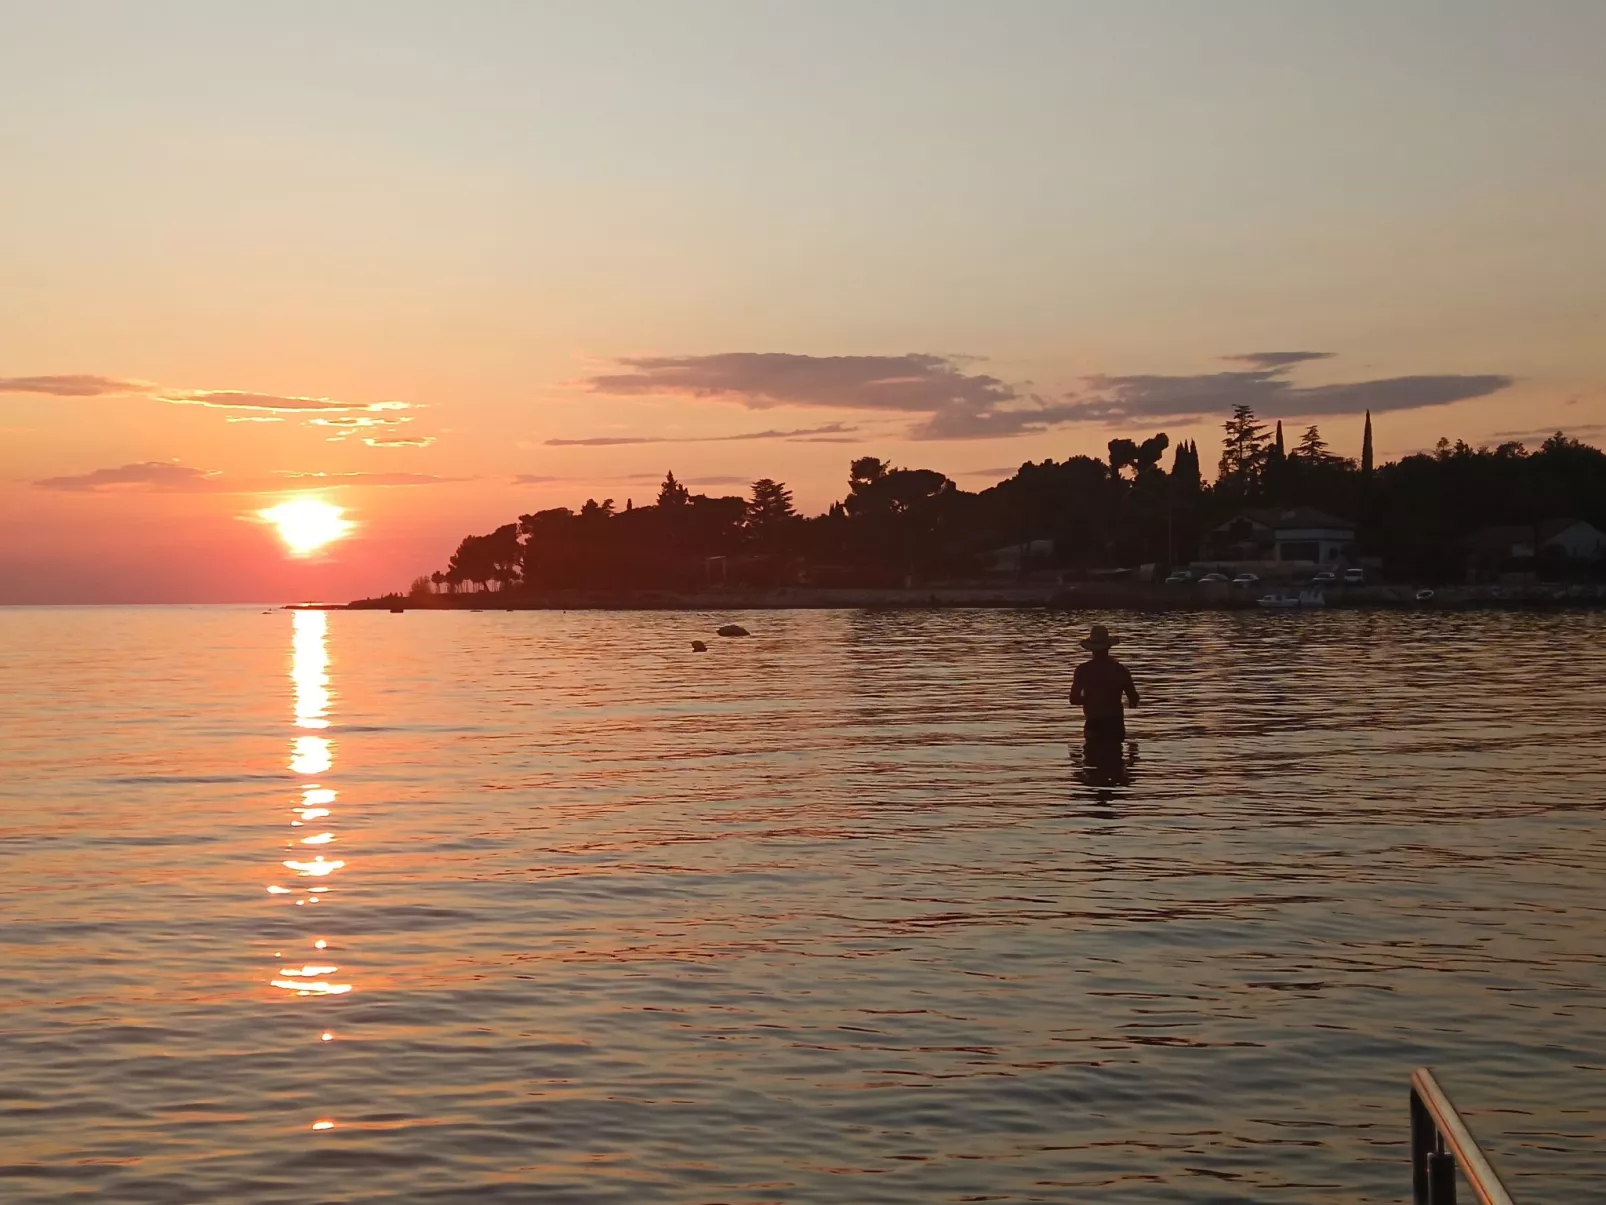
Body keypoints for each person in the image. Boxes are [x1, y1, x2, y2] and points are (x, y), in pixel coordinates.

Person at [1068, 624, 1139, 747]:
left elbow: (1073, 699)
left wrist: (1092, 699)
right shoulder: (1120, 670)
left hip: (1093, 723)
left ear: (1092, 649)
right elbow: (1134, 699)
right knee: (1115, 761)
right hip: (1115, 724)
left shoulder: (1083, 670)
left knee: (1092, 760)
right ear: (1109, 647)